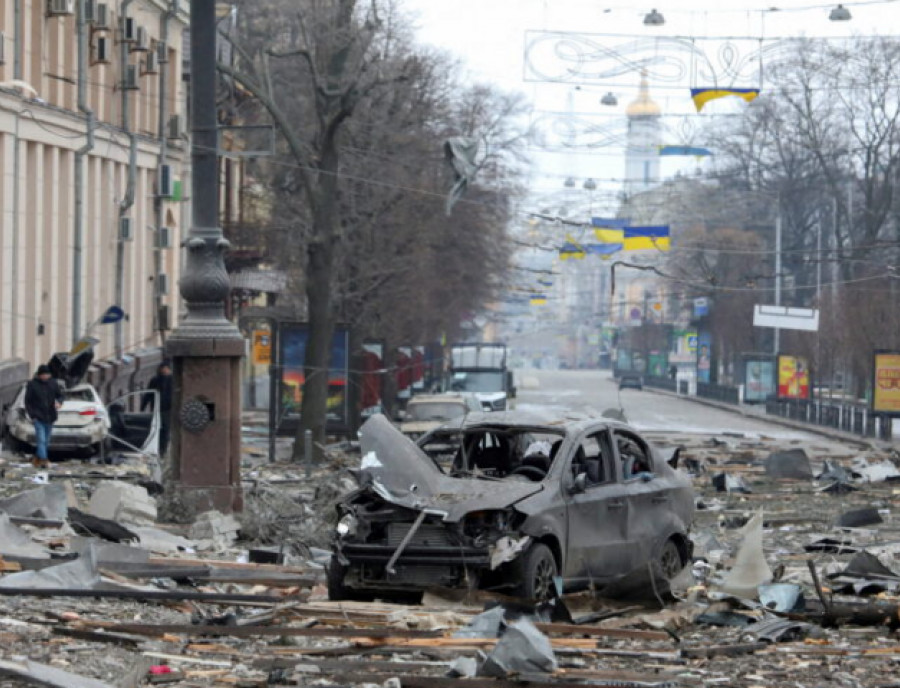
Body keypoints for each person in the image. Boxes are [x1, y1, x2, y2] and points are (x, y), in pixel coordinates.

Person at [24, 364, 64, 468]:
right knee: (41, 439)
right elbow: (28, 402)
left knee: (46, 440)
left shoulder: (53, 383)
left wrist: (59, 402)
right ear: (40, 375)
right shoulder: (32, 385)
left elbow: (60, 395)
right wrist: (32, 415)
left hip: (50, 416)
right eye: (44, 375)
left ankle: (37, 459)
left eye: (48, 374)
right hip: (38, 417)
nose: (46, 377)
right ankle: (44, 460)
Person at [142, 361, 173, 455]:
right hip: (157, 409)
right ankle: (158, 450)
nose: (164, 371)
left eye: (165, 369)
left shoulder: (173, 379)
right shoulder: (155, 380)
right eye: (162, 369)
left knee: (165, 430)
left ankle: (163, 450)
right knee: (157, 429)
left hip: (168, 409)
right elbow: (149, 394)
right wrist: (143, 406)